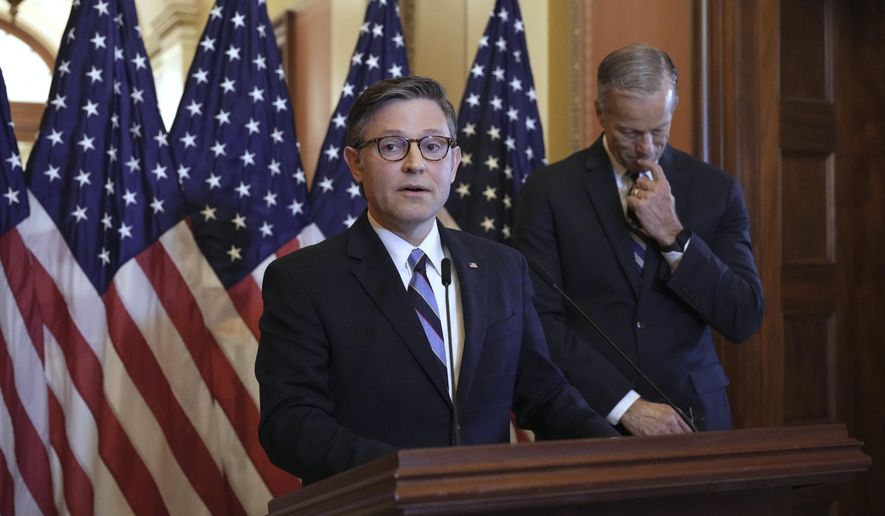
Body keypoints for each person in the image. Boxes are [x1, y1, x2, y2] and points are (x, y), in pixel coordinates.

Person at [256, 76, 617, 485]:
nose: (415, 164)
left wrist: (624, 458)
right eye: (392, 146)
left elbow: (544, 395)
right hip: (377, 504)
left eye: (432, 146)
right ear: (355, 163)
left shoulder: (503, 268)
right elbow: (289, 423)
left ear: (454, 162)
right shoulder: (303, 280)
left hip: (488, 504)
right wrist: (408, 473)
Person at [513, 43, 764, 435]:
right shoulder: (547, 191)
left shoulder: (716, 189)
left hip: (695, 419)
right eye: (629, 132)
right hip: (590, 420)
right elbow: (540, 318)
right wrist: (625, 406)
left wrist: (674, 236)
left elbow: (743, 315)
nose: (646, 147)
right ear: (601, 113)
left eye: (659, 130)